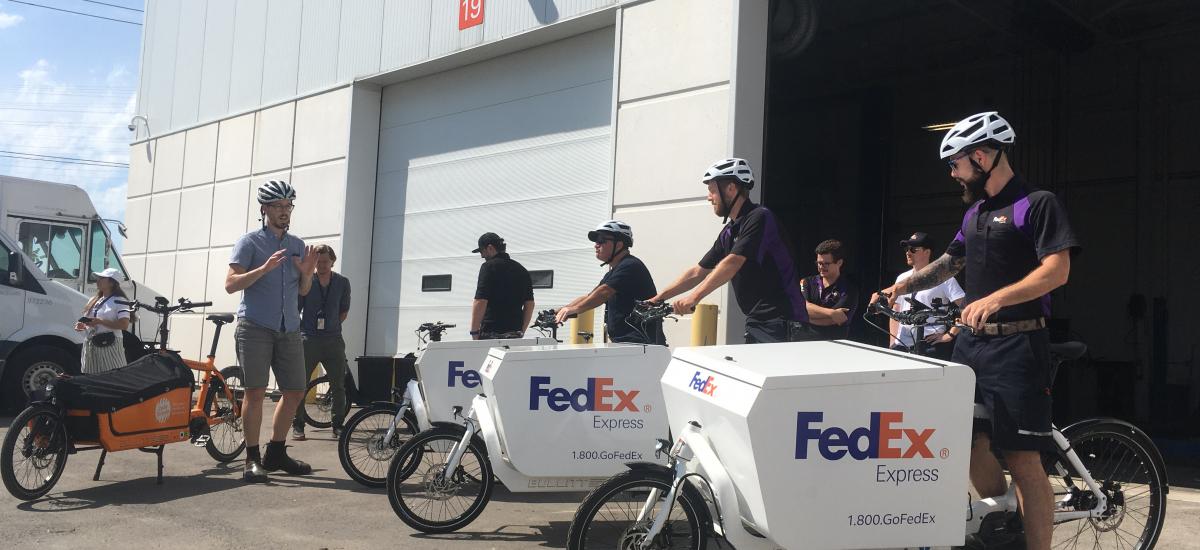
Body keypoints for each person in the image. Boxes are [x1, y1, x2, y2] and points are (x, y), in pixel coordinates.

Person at [873, 112, 1079, 550]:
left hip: (1019, 344)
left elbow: (1058, 270)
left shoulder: (1037, 204)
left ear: (982, 157)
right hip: (971, 347)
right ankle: (1003, 521)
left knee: (1023, 460)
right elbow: (951, 262)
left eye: (956, 164)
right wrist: (902, 285)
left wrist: (996, 298)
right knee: (966, 443)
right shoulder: (975, 213)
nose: (952, 174)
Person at [649, 158, 808, 343]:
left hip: (784, 323)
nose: (709, 197)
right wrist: (656, 299)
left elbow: (732, 263)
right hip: (758, 322)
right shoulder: (730, 231)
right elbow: (698, 272)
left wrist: (694, 298)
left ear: (731, 189)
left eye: (712, 190)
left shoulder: (760, 217)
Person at [225, 179, 317, 483]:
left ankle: (275, 452)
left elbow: (302, 290)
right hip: (255, 326)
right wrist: (262, 270)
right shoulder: (249, 242)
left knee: (294, 391)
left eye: (288, 206)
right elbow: (230, 284)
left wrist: (306, 275)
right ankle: (251, 459)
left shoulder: (297, 246)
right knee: (254, 391)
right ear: (264, 208)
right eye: (278, 206)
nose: (284, 211)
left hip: (289, 327)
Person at [554, 220, 665, 345]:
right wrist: (561, 310)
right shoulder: (614, 271)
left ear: (618, 244)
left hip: (641, 344)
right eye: (596, 241)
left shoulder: (630, 266)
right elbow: (590, 296)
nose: (596, 245)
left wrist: (575, 309)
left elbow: (604, 293)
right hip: (627, 344)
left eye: (601, 240)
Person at [291, 244, 351, 441]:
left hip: (333, 340)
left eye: (325, 262)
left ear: (332, 261)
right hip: (309, 340)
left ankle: (338, 426)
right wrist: (304, 330)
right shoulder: (307, 279)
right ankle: (298, 425)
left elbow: (344, 311)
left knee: (338, 385)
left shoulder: (342, 282)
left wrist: (330, 326)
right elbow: (296, 308)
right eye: (318, 262)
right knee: (300, 383)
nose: (322, 265)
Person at [890, 232, 964, 358]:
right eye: (906, 249)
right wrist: (893, 342)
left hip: (930, 345)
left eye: (913, 249)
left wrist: (950, 335)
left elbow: (965, 306)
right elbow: (895, 311)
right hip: (902, 345)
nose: (908, 252)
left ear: (927, 252)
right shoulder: (901, 278)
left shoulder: (944, 278)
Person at [470, 233, 534, 339]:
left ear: (490, 248)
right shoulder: (521, 269)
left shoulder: (488, 267)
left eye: (482, 251)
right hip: (514, 333)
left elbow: (480, 301)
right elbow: (530, 304)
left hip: (491, 333)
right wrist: (521, 331)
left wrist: (474, 332)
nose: (481, 256)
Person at [797, 239, 858, 340]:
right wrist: (831, 313)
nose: (821, 267)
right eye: (819, 263)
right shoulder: (806, 282)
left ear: (839, 262)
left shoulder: (849, 289)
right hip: (805, 342)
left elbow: (836, 320)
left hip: (835, 344)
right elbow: (801, 308)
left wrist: (809, 316)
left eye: (826, 264)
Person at [74, 267, 131, 374]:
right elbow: (91, 322)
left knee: (113, 377)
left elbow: (124, 325)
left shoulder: (120, 300)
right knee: (90, 377)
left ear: (112, 283)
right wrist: (82, 325)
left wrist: (100, 321)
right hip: (91, 343)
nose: (98, 280)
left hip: (110, 344)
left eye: (102, 278)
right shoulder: (93, 300)